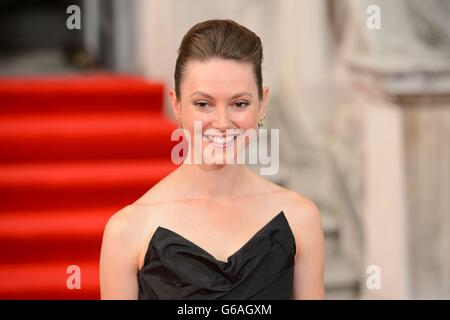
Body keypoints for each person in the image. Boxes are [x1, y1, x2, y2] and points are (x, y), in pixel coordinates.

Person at [99, 19, 324, 300]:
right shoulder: (127, 230)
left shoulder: (300, 218)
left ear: (262, 105)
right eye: (203, 104)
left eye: (239, 103)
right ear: (177, 105)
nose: (221, 123)